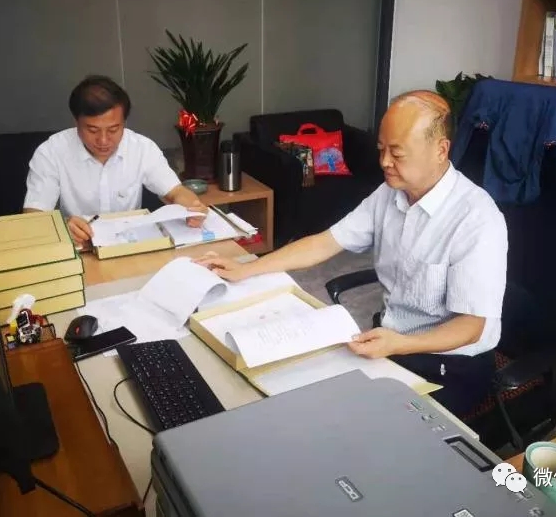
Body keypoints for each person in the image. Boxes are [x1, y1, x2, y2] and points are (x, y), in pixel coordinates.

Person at [194, 90, 508, 417]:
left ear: (440, 150)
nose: (384, 162)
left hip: (450, 363)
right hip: (391, 342)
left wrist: (400, 345)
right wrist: (247, 268)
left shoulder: (476, 219)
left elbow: (471, 326)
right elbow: (325, 242)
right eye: (381, 149)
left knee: (371, 428)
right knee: (304, 400)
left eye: (397, 153)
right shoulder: (389, 194)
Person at [23, 75, 208, 247]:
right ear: (76, 122)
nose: (103, 140)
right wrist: (63, 227)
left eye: (113, 129)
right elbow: (33, 218)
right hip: (79, 248)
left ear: (124, 122)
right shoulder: (51, 152)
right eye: (93, 130)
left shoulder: (142, 148)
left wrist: (192, 208)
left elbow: (176, 192)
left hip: (129, 246)